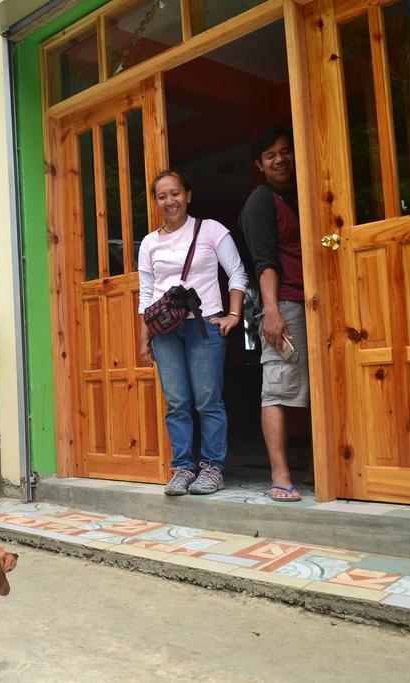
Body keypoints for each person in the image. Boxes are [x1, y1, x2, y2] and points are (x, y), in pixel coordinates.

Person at [138, 170, 248, 496]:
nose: (170, 201)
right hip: (165, 332)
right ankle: (183, 468)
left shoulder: (211, 230)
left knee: (207, 400)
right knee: (176, 402)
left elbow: (237, 273)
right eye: (162, 196)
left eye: (175, 193)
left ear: (188, 195)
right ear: (156, 201)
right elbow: (146, 294)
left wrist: (233, 314)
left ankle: (212, 468)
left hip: (204, 325)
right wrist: (144, 338)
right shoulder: (149, 243)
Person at [239, 126, 308, 502]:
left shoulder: (302, 195)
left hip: (313, 301)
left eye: (285, 151)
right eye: (271, 155)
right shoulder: (261, 202)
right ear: (259, 165)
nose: (280, 159)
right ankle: (280, 475)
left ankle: (320, 467)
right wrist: (271, 312)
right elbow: (263, 260)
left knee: (322, 387)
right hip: (284, 304)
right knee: (278, 388)